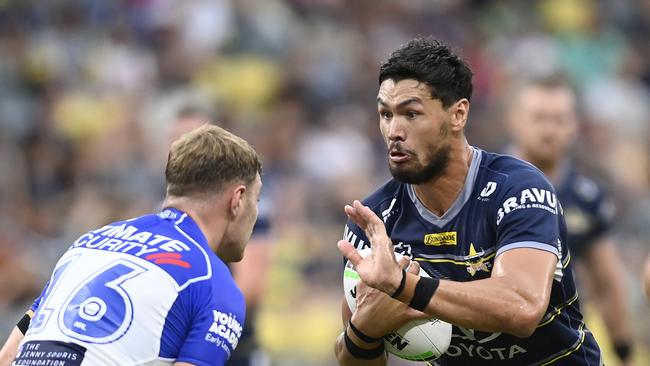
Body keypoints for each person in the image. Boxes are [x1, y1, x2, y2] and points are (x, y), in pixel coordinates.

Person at [334, 37, 602, 365]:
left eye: (411, 114)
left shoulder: (519, 188)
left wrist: (405, 286)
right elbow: (350, 356)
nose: (394, 131)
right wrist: (364, 331)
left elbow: (522, 307)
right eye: (386, 114)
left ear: (458, 114)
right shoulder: (373, 221)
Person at [0, 125, 262, 365]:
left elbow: (10, 352)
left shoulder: (89, 243)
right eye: (256, 198)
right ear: (237, 199)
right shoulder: (214, 283)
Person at [505, 76, 635, 365]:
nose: (549, 130)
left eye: (559, 119)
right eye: (538, 118)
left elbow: (607, 280)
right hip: (495, 343)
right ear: (514, 120)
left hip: (563, 346)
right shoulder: (483, 185)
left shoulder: (586, 196)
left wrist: (623, 348)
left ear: (574, 126)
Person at [167, 105, 274, 366]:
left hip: (236, 346)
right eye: (179, 139)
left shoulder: (252, 210)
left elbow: (251, 285)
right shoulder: (162, 207)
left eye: (195, 136)